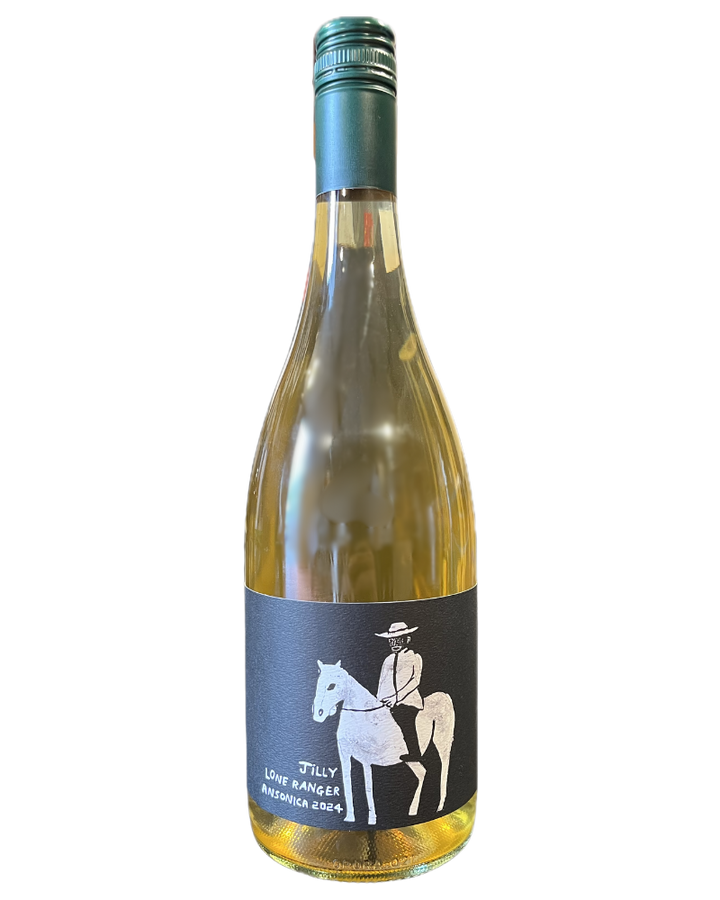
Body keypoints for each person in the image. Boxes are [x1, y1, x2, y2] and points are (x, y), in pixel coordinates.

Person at [376, 622, 423, 762]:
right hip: (389, 701)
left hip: (408, 701)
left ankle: (414, 753)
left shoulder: (415, 657)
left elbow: (415, 681)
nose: (394, 644)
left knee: (403, 718)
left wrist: (396, 698)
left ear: (407, 640)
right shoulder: (388, 660)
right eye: (391, 640)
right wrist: (379, 701)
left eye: (398, 640)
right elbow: (382, 682)